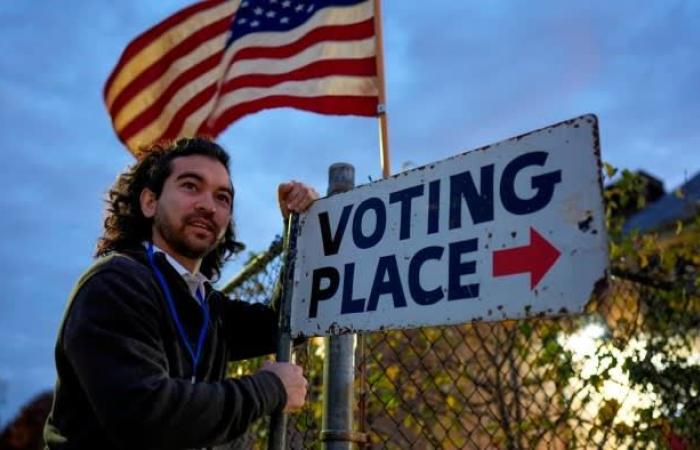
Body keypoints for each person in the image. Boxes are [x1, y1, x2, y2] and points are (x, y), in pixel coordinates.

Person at [44, 137, 318, 449]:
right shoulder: (114, 283)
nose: (208, 205)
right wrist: (270, 389)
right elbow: (145, 416)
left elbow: (285, 323)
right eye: (190, 186)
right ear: (150, 202)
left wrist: (300, 230)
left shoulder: (206, 304)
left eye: (222, 197)